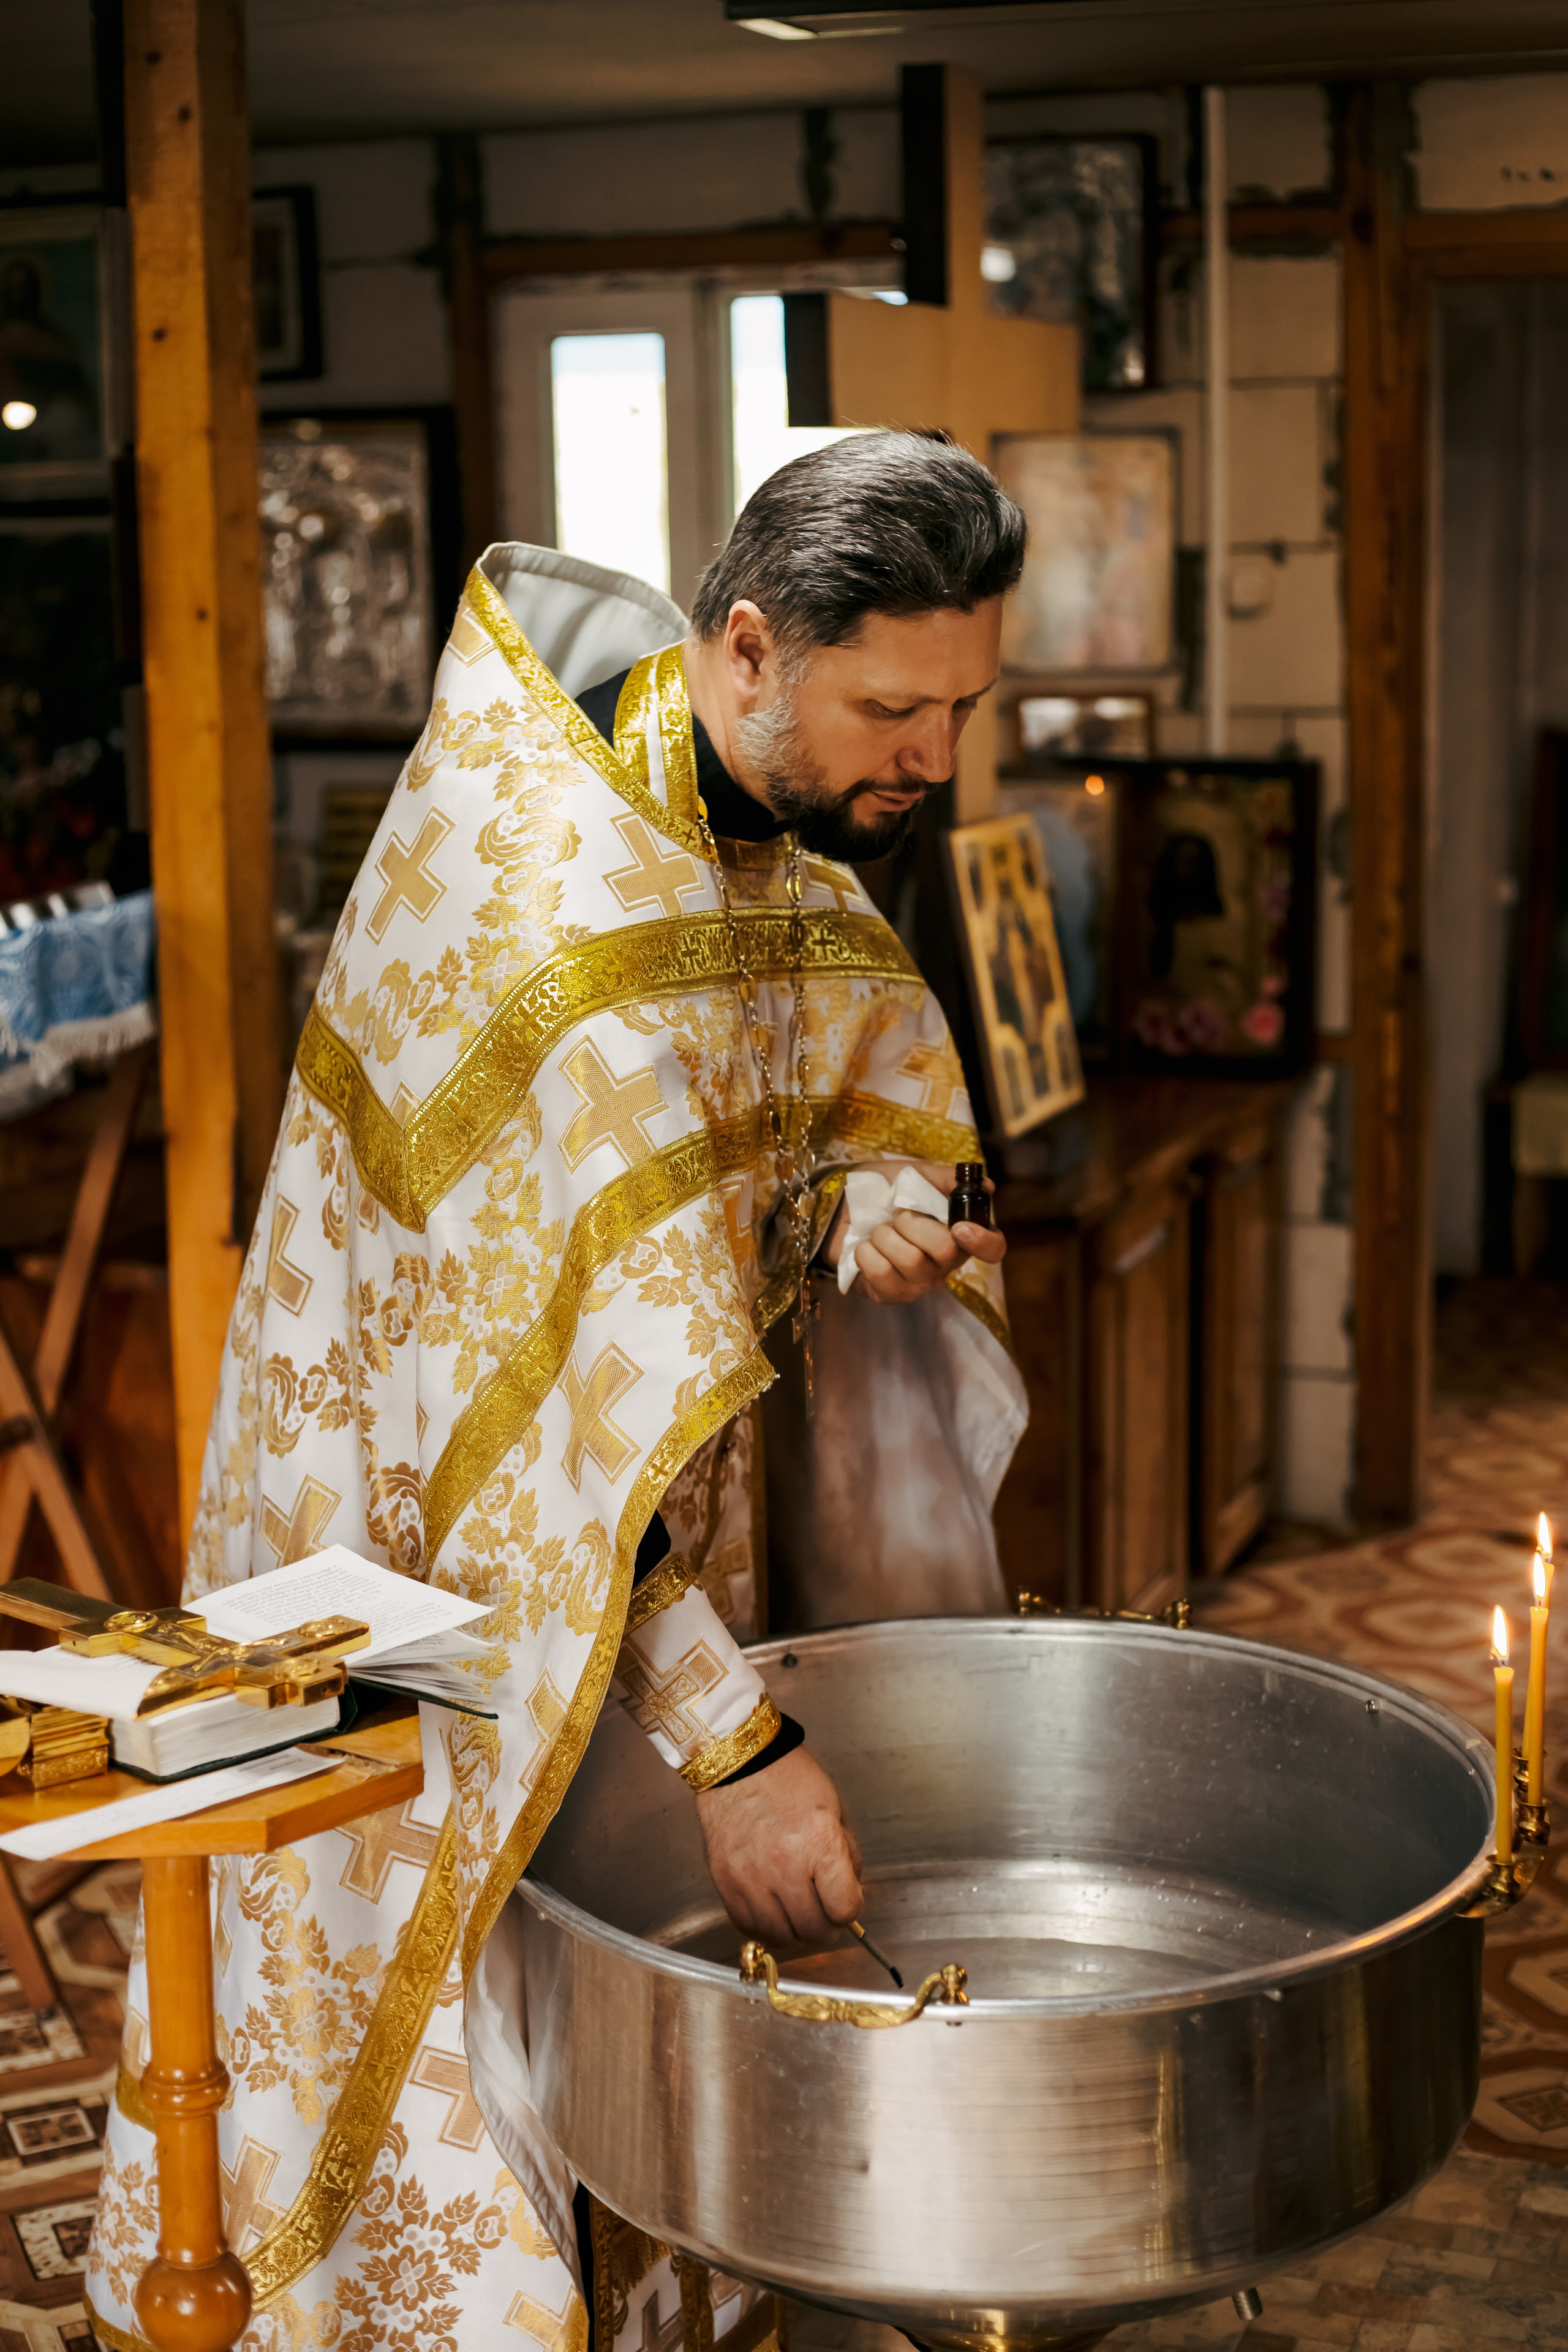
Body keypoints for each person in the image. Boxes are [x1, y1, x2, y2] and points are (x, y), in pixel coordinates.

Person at [86, 430, 1029, 2352]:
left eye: (962, 707)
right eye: (894, 707)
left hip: (641, 1544)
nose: (934, 758)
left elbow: (844, 1041)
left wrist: (867, 1192)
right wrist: (737, 1749)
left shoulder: (743, 812)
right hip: (423, 1578)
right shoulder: (540, 899)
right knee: (451, 2082)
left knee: (638, 2046)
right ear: (752, 648)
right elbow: (538, 1447)